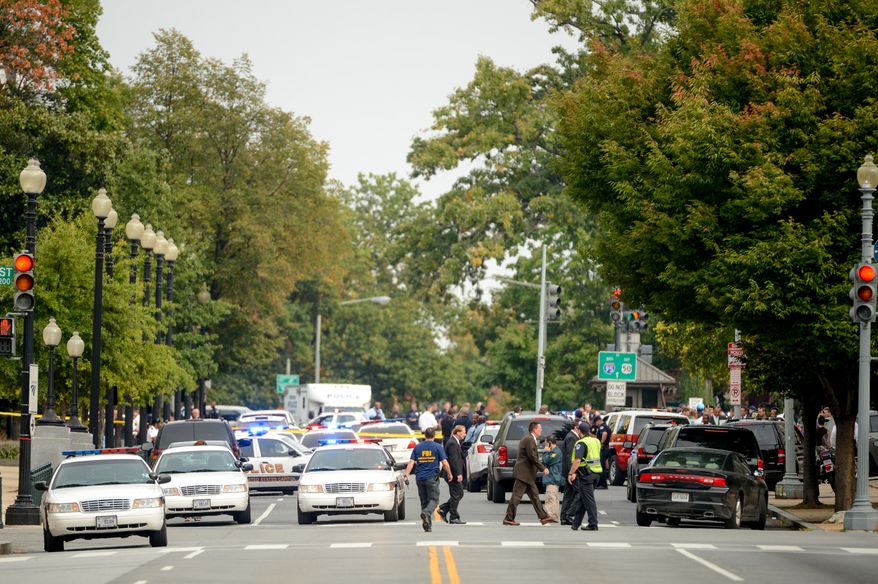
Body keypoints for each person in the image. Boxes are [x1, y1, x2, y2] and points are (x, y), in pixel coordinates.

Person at [503, 422, 558, 526]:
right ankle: (508, 518)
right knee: (517, 496)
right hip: (523, 474)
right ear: (534, 429)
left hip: (527, 474)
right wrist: (543, 468)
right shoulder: (529, 439)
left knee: (535, 496)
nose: (541, 430)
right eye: (540, 428)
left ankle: (543, 517)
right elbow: (532, 456)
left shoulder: (530, 439)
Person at [404, 427, 452, 532]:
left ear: (424, 435)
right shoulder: (438, 447)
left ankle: (427, 525)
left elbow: (411, 462)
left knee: (424, 501)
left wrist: (406, 475)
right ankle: (426, 514)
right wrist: (449, 473)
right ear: (434, 436)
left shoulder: (418, 447)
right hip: (431, 478)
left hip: (419, 478)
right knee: (434, 500)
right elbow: (444, 463)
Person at [568, 422, 603, 531]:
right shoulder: (596, 441)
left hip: (586, 475)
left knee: (588, 501)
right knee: (583, 499)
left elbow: (577, 460)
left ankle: (593, 524)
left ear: (579, 430)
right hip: (596, 474)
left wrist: (571, 473)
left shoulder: (581, 443)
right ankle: (576, 523)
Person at [438, 425, 467, 524]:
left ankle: (443, 509)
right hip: (452, 474)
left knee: (458, 493)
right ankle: (453, 517)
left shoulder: (455, 442)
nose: (465, 434)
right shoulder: (452, 443)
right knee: (457, 494)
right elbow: (454, 460)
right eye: (463, 432)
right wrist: (458, 473)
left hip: (453, 473)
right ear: (458, 432)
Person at [559, 421, 584, 525]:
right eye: (580, 427)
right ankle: (569, 513)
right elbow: (570, 456)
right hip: (571, 471)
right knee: (579, 492)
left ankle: (564, 517)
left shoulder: (572, 436)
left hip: (569, 471)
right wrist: (572, 472)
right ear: (575, 427)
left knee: (569, 493)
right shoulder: (572, 437)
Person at [541, 436, 564, 521]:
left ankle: (552, 515)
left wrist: (546, 452)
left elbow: (546, 461)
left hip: (553, 477)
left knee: (551, 497)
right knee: (552, 497)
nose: (545, 445)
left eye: (546, 443)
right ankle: (553, 515)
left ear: (550, 443)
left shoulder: (555, 452)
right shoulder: (553, 452)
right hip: (551, 477)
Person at [593, 415, 611, 489]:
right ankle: (603, 484)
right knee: (602, 465)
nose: (596, 425)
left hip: (603, 449)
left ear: (598, 421)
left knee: (601, 466)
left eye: (595, 423)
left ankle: (602, 484)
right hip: (606, 448)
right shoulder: (606, 426)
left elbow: (604, 434)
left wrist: (601, 443)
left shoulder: (602, 427)